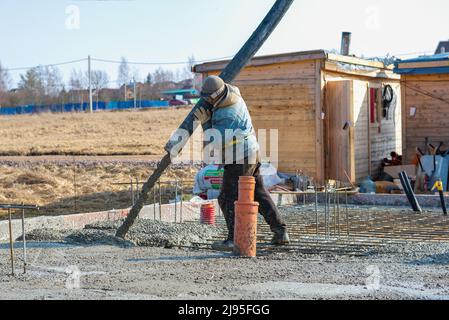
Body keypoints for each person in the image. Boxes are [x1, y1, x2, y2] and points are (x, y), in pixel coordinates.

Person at [194, 75, 290, 251]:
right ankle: (280, 231)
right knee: (258, 194)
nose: (205, 101)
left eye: (207, 98)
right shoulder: (232, 92)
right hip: (251, 153)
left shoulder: (227, 114)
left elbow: (215, 141)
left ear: (215, 96)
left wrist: (206, 123)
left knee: (226, 197)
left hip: (240, 158)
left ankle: (233, 239)